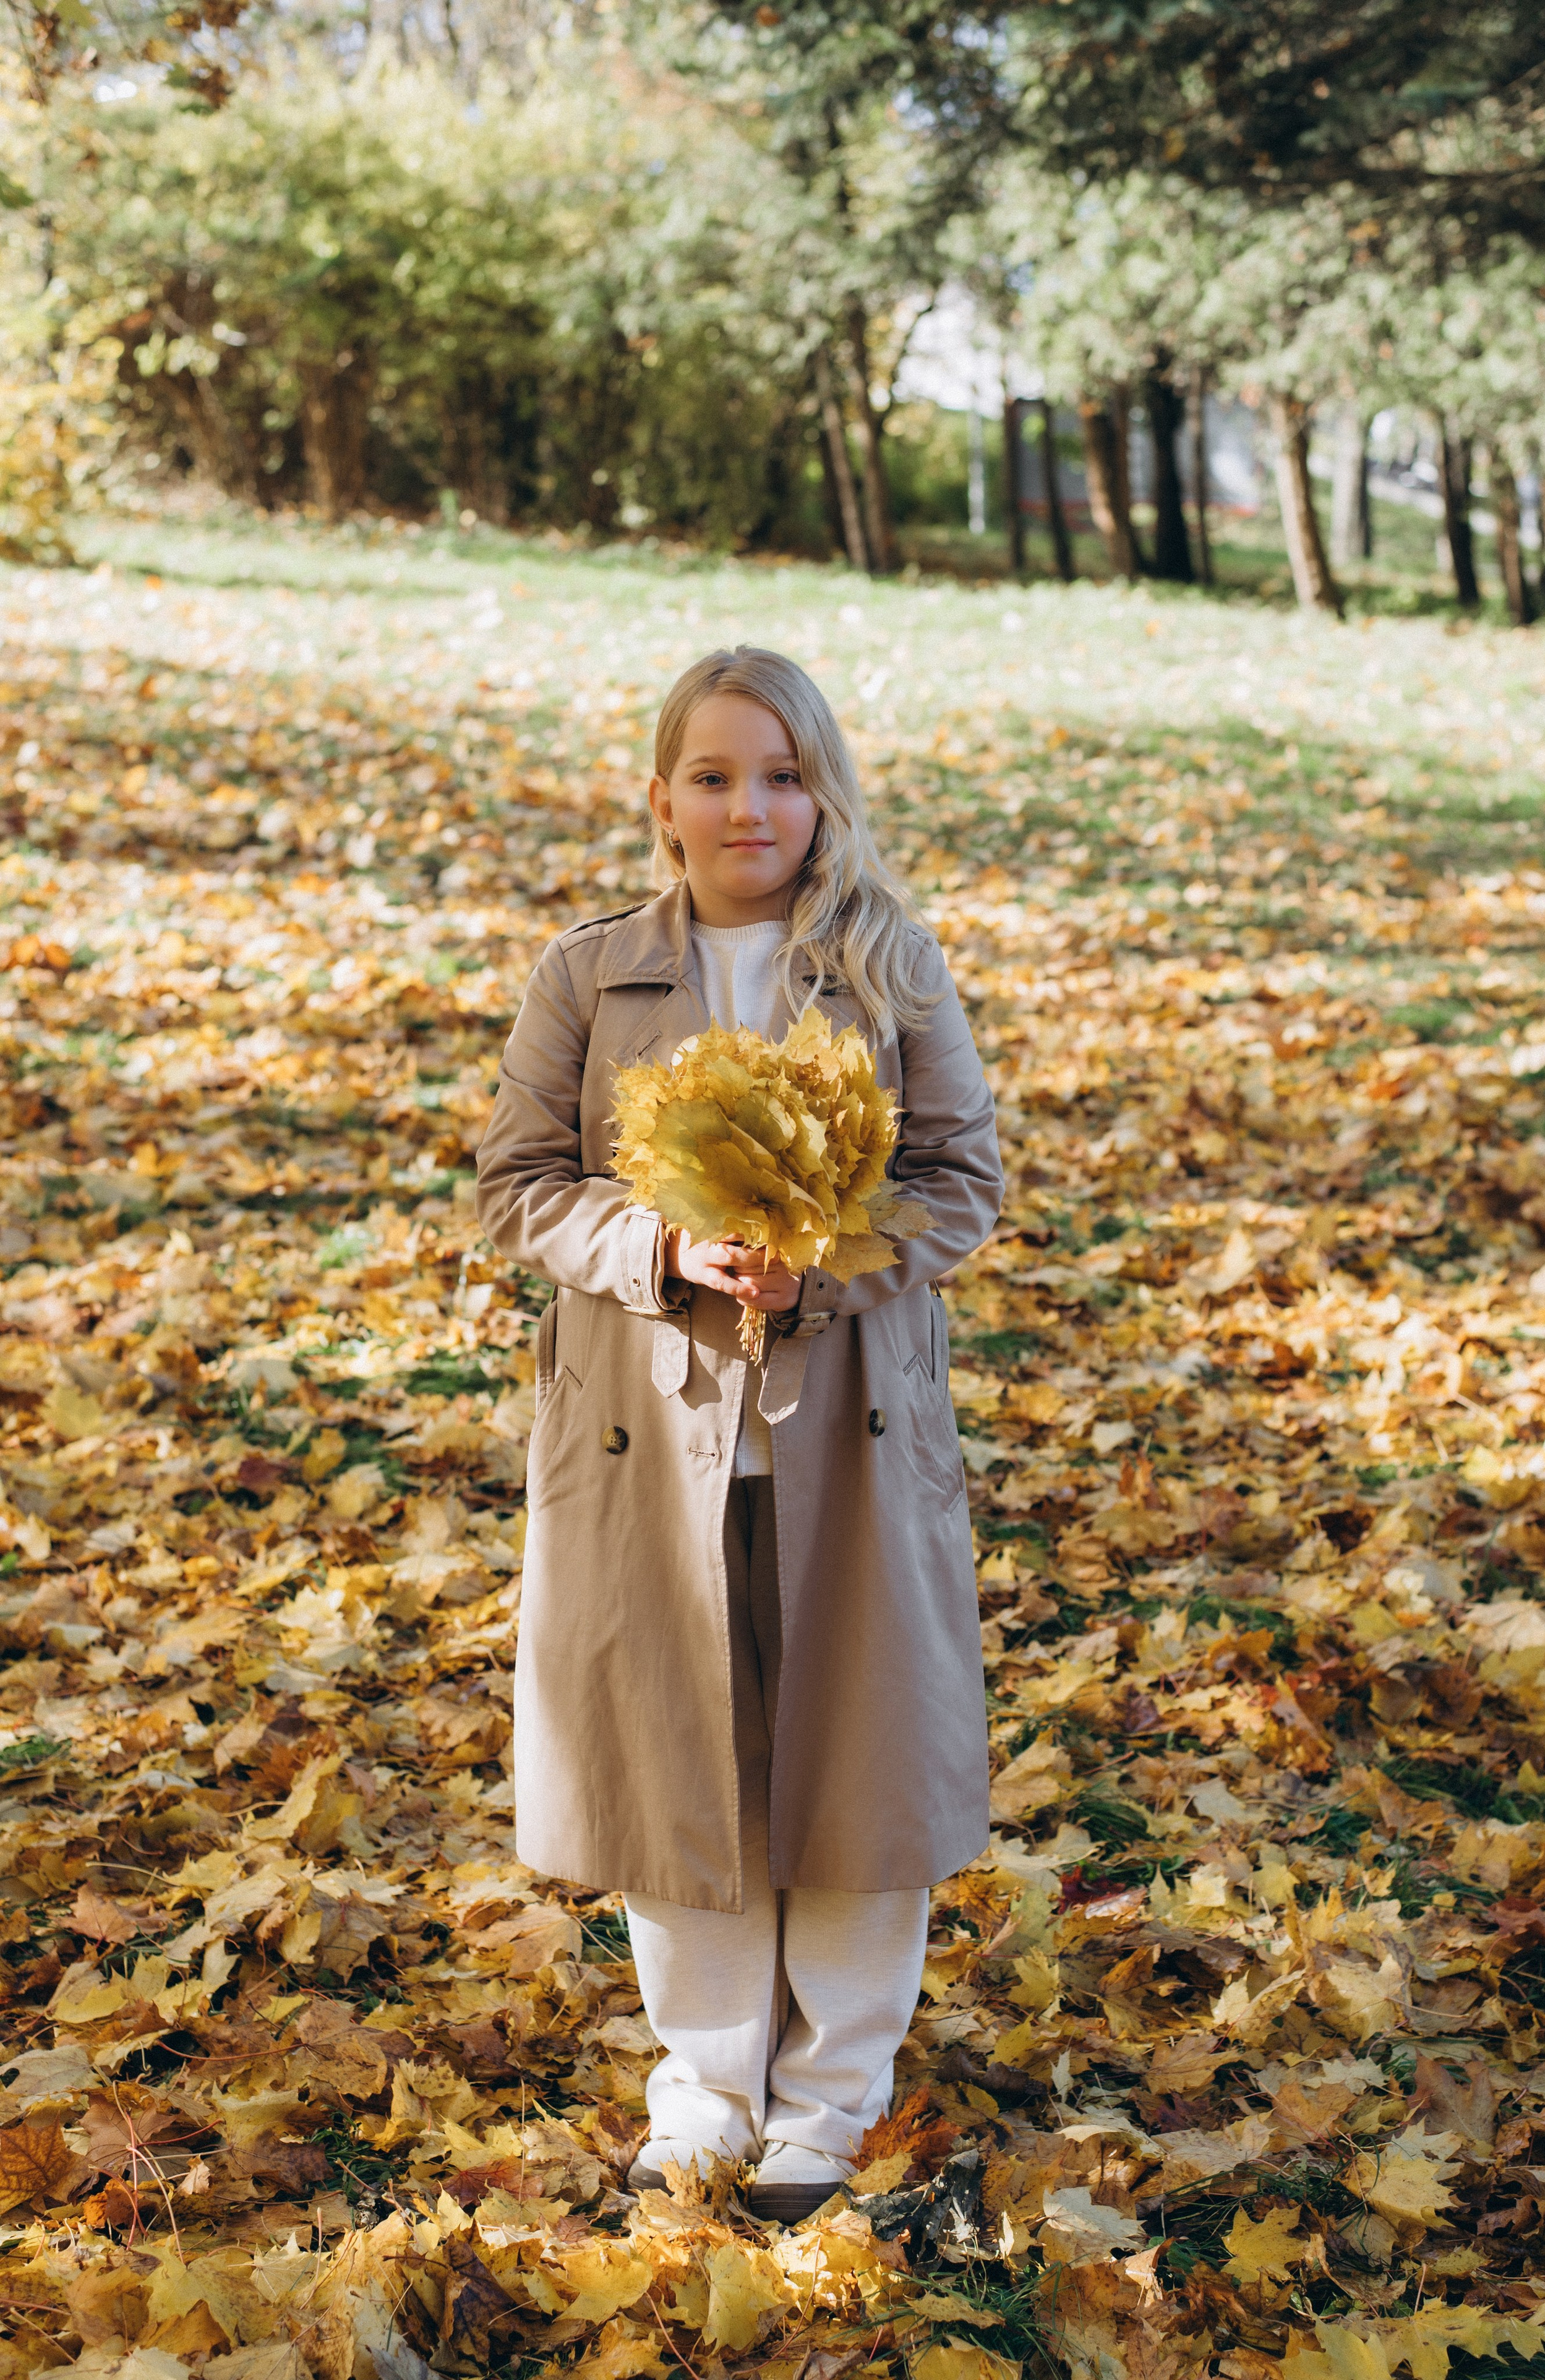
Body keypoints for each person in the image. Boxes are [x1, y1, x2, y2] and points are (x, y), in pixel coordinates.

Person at [474, 646, 1003, 2224]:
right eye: (711, 775)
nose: (746, 805)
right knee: (677, 1762)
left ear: (821, 790)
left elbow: (963, 1181)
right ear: (662, 800)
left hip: (849, 1422)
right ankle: (703, 2087)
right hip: (644, 1437)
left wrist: (834, 1252)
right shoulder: (589, 975)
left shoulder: (892, 969)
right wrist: (657, 1247)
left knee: (855, 1753)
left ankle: (830, 2098)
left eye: (778, 773)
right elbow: (515, 1185)